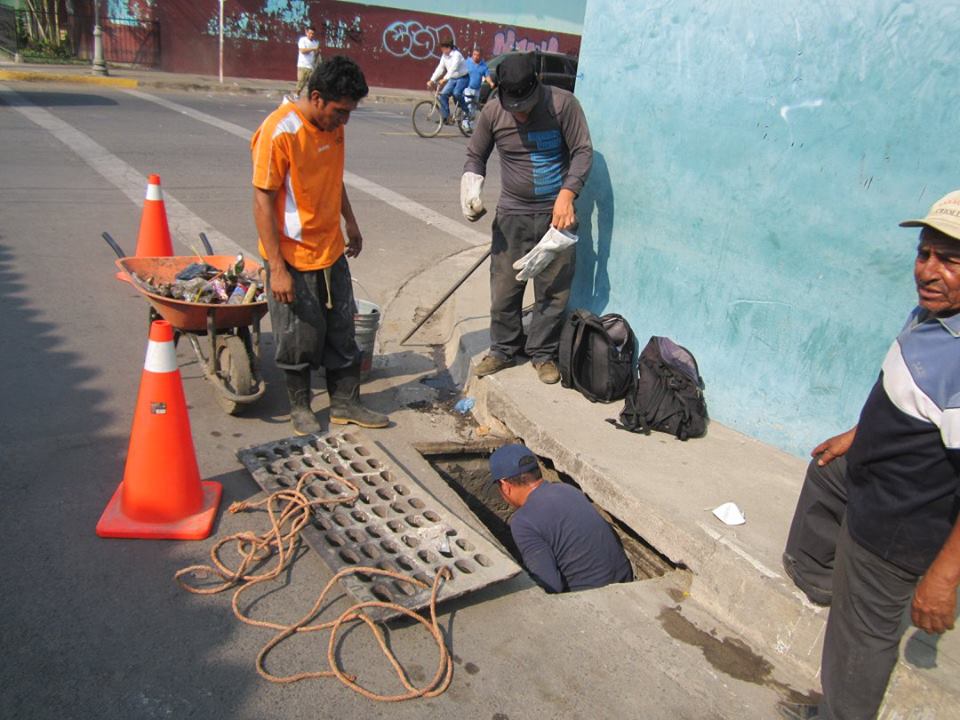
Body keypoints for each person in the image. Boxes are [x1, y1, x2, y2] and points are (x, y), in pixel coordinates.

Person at [778, 190, 960, 720]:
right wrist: (858, 435)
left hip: (895, 528)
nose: (928, 271)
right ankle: (818, 579)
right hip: (871, 472)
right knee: (826, 472)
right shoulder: (931, 317)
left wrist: (944, 577)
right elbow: (906, 395)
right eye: (925, 254)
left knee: (858, 648)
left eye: (950, 262)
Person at [251, 56, 388, 436]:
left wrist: (351, 221)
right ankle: (300, 407)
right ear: (316, 97)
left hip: (329, 251)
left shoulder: (333, 127)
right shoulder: (280, 131)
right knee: (298, 337)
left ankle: (345, 403)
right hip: (293, 257)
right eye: (340, 112)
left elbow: (334, 177)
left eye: (349, 114)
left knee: (342, 331)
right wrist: (277, 268)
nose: (344, 121)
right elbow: (262, 200)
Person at [462, 52, 593, 384]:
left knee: (553, 291)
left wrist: (568, 193)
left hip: (557, 220)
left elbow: (582, 151)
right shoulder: (493, 112)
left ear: (538, 86)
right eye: (514, 106)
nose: (520, 113)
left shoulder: (563, 105)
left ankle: (542, 353)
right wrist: (471, 186)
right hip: (512, 216)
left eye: (526, 105)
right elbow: (476, 155)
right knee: (505, 288)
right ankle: (503, 349)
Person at [488, 444, 633, 593]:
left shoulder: (523, 521)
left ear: (505, 485)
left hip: (593, 601)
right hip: (627, 586)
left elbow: (549, 586)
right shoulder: (569, 490)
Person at [427, 38, 467, 125]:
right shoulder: (444, 56)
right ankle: (446, 117)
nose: (441, 50)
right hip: (453, 78)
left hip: (463, 78)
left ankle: (466, 111)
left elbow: (453, 69)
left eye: (442, 48)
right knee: (443, 95)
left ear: (448, 47)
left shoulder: (457, 55)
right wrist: (432, 80)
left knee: (456, 93)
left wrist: (444, 79)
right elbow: (440, 68)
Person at [463, 47, 495, 113]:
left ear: (481, 56)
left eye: (478, 55)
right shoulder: (467, 62)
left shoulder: (483, 65)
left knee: (474, 108)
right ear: (472, 54)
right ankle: (465, 122)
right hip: (467, 88)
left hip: (477, 90)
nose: (475, 57)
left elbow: (487, 75)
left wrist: (491, 83)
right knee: (468, 106)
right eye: (474, 54)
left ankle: (470, 123)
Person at [294, 26, 320, 98]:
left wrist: (317, 52)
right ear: (306, 32)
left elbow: (316, 55)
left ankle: (309, 99)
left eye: (313, 34)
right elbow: (302, 51)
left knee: (312, 84)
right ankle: (296, 96)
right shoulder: (302, 40)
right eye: (310, 33)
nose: (311, 35)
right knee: (301, 82)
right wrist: (313, 49)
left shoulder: (316, 42)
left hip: (311, 66)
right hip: (303, 65)